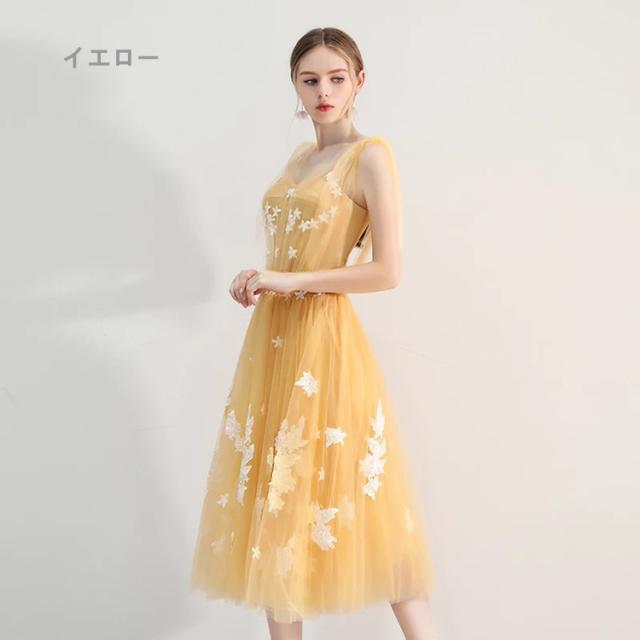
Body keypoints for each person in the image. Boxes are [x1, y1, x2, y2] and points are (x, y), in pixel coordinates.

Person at [190, 27, 437, 640]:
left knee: (369, 505)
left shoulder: (369, 157)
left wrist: (290, 281)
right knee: (275, 508)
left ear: (359, 82)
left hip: (325, 344)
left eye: (336, 78)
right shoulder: (300, 160)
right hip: (273, 344)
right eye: (310, 80)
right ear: (295, 86)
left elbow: (387, 271)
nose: (323, 91)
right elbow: (288, 255)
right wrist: (261, 278)